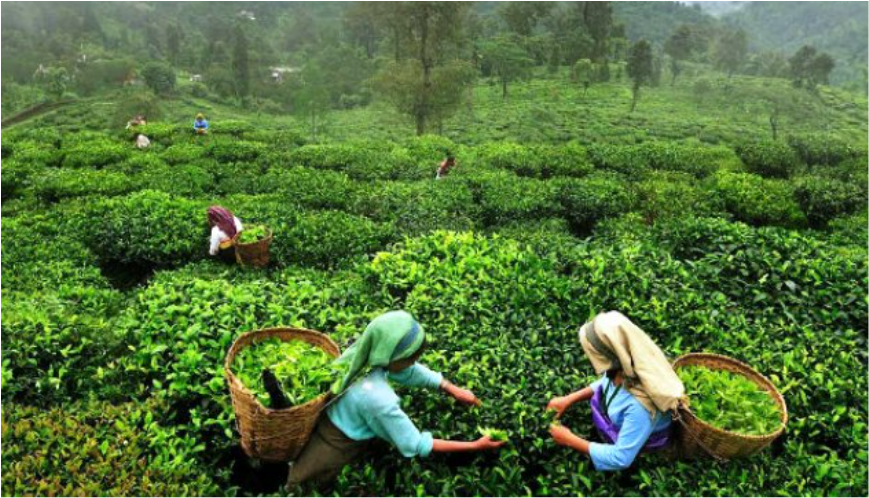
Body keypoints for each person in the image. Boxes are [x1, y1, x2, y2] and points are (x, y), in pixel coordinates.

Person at [286, 310, 506, 487]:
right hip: (336, 443)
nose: (414, 363)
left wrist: (451, 388)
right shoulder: (378, 399)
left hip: (329, 417)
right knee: (306, 480)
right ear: (393, 356)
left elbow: (407, 371)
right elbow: (415, 444)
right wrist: (475, 446)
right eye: (411, 359)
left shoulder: (361, 354)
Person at [546, 311, 684, 471]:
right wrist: (568, 399)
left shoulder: (641, 408)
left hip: (642, 442)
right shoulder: (625, 364)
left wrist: (569, 439)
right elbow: (605, 383)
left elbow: (621, 458)